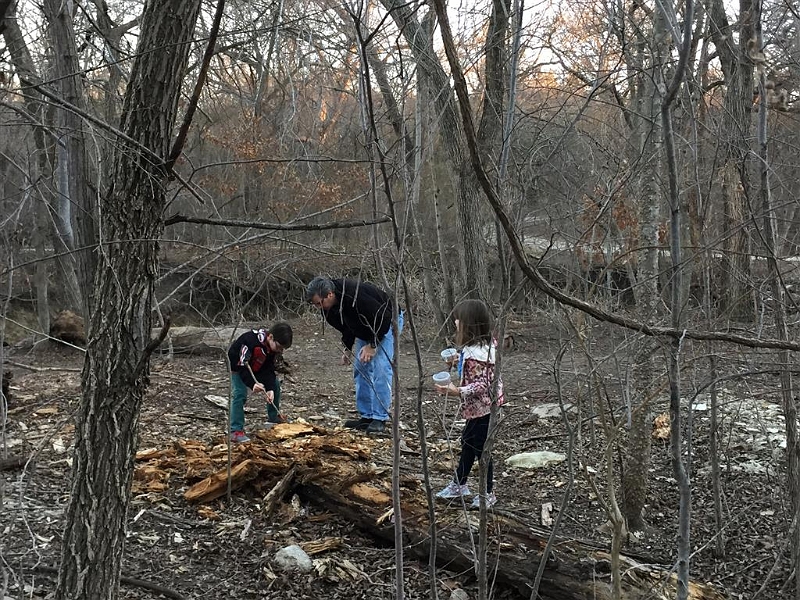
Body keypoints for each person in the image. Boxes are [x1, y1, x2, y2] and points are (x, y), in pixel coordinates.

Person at [305, 276, 403, 434]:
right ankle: (367, 416)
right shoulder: (329, 308)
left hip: (388, 320)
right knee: (361, 368)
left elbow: (383, 318)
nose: (318, 307)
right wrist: (347, 347)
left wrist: (372, 345)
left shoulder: (355, 294)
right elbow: (347, 325)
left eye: (319, 303)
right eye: (315, 304)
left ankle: (380, 418)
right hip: (364, 327)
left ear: (329, 294)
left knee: (381, 368)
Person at [434, 299, 504, 508]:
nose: (455, 322)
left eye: (459, 319)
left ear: (469, 324)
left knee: (482, 450)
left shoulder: (478, 355)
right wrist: (458, 360)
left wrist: (457, 391)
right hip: (478, 408)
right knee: (467, 443)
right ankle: (460, 484)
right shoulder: (481, 346)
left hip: (484, 408)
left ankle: (487, 493)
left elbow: (483, 383)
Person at [227, 322, 293, 443]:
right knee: (239, 393)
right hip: (238, 367)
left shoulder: (271, 349)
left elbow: (268, 369)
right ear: (271, 337)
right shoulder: (249, 341)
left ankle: (273, 417)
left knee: (275, 384)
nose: (280, 351)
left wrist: (270, 389)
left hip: (257, 366)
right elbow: (242, 366)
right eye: (279, 347)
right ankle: (235, 430)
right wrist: (252, 384)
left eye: (282, 349)